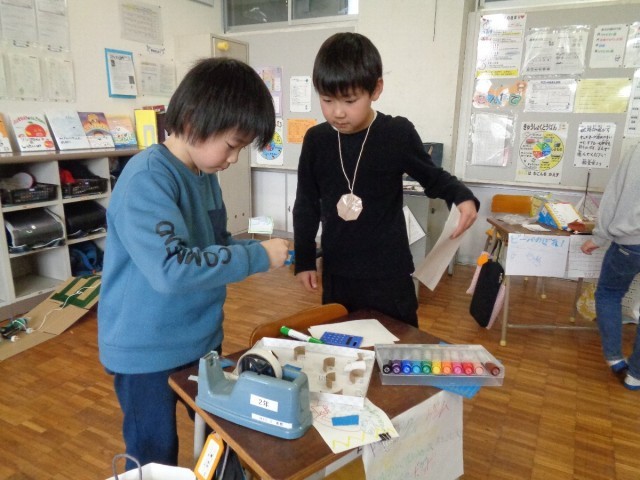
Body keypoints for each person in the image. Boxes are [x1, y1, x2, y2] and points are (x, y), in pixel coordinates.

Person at [97, 57, 290, 468]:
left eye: (241, 148)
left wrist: (252, 250)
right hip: (146, 351)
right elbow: (173, 269)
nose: (233, 158)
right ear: (193, 120)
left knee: (221, 438)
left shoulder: (205, 175)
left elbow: (214, 245)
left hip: (200, 340)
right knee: (153, 456)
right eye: (232, 145)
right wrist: (257, 256)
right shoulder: (147, 178)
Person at [293, 32, 479, 327]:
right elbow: (306, 204)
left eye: (349, 100)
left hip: (388, 272)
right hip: (338, 272)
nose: (337, 112)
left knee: (400, 341)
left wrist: (461, 195)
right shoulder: (317, 140)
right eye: (327, 100)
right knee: (343, 343)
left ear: (376, 89)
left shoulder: (396, 134)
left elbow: (432, 177)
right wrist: (304, 259)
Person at [581, 142, 640, 391]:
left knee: (609, 294)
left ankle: (615, 359)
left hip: (630, 241)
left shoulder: (636, 151)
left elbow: (614, 195)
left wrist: (599, 237)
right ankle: (635, 376)